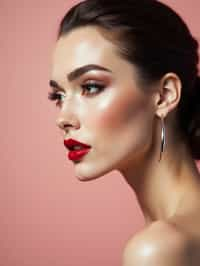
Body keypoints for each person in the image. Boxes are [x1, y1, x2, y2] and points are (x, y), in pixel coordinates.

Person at [48, 0, 200, 265]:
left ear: (164, 96)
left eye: (91, 87)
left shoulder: (159, 249)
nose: (63, 119)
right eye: (58, 95)